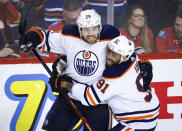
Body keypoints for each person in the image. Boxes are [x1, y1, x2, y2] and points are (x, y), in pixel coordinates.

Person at [20, 9, 120, 130]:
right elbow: (46, 38)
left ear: (99, 27)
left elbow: (128, 55)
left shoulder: (111, 38)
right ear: (80, 29)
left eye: (94, 28)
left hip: (98, 100)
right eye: (86, 29)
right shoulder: (69, 36)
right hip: (71, 96)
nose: (90, 33)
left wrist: (143, 65)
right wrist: (34, 36)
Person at [61, 35, 160, 131]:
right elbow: (139, 60)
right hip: (147, 110)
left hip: (139, 120)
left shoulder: (115, 76)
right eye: (109, 51)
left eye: (114, 54)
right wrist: (147, 63)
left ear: (124, 57)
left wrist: (65, 85)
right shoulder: (131, 57)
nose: (108, 56)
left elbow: (90, 97)